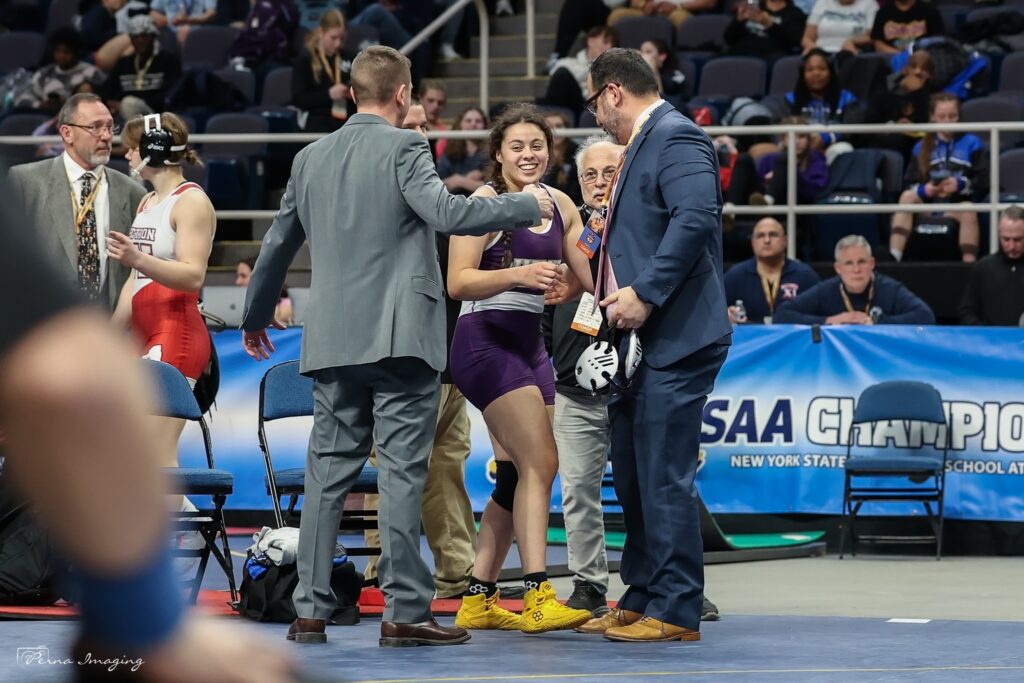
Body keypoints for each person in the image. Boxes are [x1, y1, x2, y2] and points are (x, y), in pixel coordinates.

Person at [240, 45, 552, 647]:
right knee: (403, 475)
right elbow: (444, 212)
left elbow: (277, 244)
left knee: (327, 474)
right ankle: (405, 613)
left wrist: (256, 315)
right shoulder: (407, 146)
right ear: (403, 93)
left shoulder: (310, 157)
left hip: (332, 339)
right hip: (402, 339)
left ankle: (309, 611)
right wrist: (524, 204)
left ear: (352, 92)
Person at [0, 184, 300, 683]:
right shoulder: (148, 205)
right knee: (155, 469)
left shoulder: (188, 201)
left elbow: (183, 275)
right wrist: (143, 621)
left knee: (162, 466)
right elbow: (68, 381)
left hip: (173, 334)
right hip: (145, 334)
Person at [578, 47, 732, 642]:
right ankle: (641, 592)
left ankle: (676, 607)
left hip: (677, 331)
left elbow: (695, 218)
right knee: (634, 473)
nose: (596, 116)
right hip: (636, 337)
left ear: (614, 91)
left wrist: (646, 290)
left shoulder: (677, 136)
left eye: (595, 102)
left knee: (663, 472)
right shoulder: (649, 141)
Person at [448, 104, 594, 634]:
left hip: (531, 345)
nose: (529, 155)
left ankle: (478, 596)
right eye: (517, 146)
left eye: (537, 145)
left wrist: (570, 286)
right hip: (483, 343)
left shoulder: (562, 205)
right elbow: (458, 282)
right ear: (498, 155)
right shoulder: (482, 203)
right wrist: (521, 274)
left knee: (514, 475)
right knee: (542, 462)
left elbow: (586, 273)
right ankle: (537, 594)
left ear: (550, 152)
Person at [361, 99, 479, 601]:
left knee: (447, 465)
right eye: (410, 127)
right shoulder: (379, 203)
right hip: (401, 358)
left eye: (426, 128)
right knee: (397, 464)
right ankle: (380, 568)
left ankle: (456, 570)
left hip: (450, 360)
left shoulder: (440, 202)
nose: (420, 136)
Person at [541, 134, 620, 618]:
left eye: (608, 172)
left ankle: (665, 584)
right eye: (589, 174)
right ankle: (589, 584)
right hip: (572, 389)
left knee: (647, 489)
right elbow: (545, 310)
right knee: (577, 492)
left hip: (634, 389)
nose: (598, 182)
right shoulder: (564, 236)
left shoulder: (642, 229)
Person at [8, 93, 147, 311]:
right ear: (67, 133)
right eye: (95, 127)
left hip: (110, 328)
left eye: (110, 127)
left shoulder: (133, 192)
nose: (106, 136)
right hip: (43, 328)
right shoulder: (25, 182)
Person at [889, 93, 985, 263]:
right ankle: (894, 258)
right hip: (928, 206)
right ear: (933, 117)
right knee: (907, 197)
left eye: (952, 116)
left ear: (959, 116)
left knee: (969, 209)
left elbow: (984, 182)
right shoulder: (921, 146)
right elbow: (908, 183)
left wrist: (960, 185)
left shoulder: (972, 142)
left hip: (956, 206)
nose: (947, 121)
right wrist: (924, 190)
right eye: (942, 116)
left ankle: (968, 266)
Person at [775, 235, 936, 325]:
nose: (856, 269)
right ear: (838, 268)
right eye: (849, 263)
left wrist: (877, 322)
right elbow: (782, 315)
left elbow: (926, 316)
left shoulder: (890, 289)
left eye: (862, 262)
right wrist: (829, 320)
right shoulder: (826, 290)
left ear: (872, 263)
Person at [725, 217, 820, 324]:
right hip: (750, 340)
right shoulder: (735, 276)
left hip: (793, 340)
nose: (767, 240)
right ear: (753, 242)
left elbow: (820, 313)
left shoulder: (805, 276)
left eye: (773, 235)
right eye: (761, 236)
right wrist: (727, 314)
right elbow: (715, 313)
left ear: (785, 240)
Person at [103, 15, 182, 121]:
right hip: (124, 113)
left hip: (157, 114)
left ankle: (135, 136)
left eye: (144, 35)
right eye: (135, 36)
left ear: (153, 36)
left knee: (128, 103)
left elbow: (172, 94)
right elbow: (107, 91)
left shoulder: (168, 60)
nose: (140, 40)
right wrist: (112, 103)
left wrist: (141, 102)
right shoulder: (124, 63)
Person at [14, 28, 106, 114]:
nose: (61, 56)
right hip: (45, 116)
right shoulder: (43, 74)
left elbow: (105, 98)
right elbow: (22, 98)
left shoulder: (91, 72)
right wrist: (40, 105)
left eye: (66, 52)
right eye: (57, 51)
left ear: (76, 52)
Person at [960, 206, 1024, 327]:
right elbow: (967, 313)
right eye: (1006, 239)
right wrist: (988, 335)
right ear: (999, 235)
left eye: (1018, 239)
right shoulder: (983, 268)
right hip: (991, 343)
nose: (1011, 246)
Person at [291, 9, 353, 133]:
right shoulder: (305, 59)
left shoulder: (350, 57)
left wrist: (353, 94)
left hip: (348, 118)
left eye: (342, 39)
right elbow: (299, 99)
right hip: (318, 119)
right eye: (333, 38)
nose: (338, 44)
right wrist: (328, 95)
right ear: (321, 32)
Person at [724, 0, 806, 64]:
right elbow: (729, 39)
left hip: (771, 57)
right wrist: (739, 21)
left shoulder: (795, 14)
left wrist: (770, 26)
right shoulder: (753, 8)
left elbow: (792, 44)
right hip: (742, 52)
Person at [438, 107, 488, 196]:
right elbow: (439, 186)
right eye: (468, 121)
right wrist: (468, 179)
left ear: (485, 125)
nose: (473, 124)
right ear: (460, 124)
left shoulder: (491, 154)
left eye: (478, 121)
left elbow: (493, 187)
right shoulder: (450, 153)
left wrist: (458, 181)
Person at [800, 0, 876, 56]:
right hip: (821, 54)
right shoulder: (822, 3)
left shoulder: (869, 4)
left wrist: (852, 41)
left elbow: (871, 37)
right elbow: (807, 38)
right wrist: (815, 51)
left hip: (852, 53)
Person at [871, 0, 944, 56]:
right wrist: (901, 56)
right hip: (890, 61)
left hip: (923, 61)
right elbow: (878, 44)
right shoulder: (882, 13)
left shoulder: (930, 10)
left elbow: (937, 41)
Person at [150, 0, 217, 46]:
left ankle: (184, 65)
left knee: (185, 31)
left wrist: (188, 20)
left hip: (195, 27)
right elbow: (153, 12)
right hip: (168, 29)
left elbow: (211, 14)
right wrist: (158, 17)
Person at [420, 79, 449, 158]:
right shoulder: (410, 127)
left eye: (440, 103)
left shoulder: (449, 132)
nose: (435, 106)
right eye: (430, 100)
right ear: (420, 99)